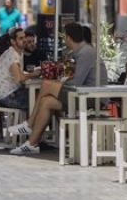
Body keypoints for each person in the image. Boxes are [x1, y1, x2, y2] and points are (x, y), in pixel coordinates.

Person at [8, 23, 108, 155]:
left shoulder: (86, 53)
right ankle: (31, 144)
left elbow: (77, 82)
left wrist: (59, 82)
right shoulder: (80, 52)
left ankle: (29, 123)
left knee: (47, 84)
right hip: (82, 94)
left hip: (91, 97)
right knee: (46, 101)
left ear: (69, 38)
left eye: (65, 37)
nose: (64, 40)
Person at [0, 28, 40, 109]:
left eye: (24, 37)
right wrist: (34, 74)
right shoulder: (12, 55)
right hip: (9, 95)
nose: (25, 40)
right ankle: (31, 121)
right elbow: (19, 78)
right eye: (21, 38)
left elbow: (19, 75)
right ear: (13, 41)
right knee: (41, 100)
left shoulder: (17, 52)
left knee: (40, 96)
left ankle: (30, 120)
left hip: (9, 92)